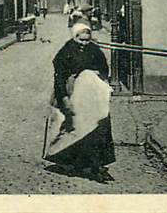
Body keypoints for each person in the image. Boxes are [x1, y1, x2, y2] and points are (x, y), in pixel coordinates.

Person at [43, 22, 115, 182]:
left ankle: (95, 164)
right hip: (72, 92)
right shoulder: (65, 52)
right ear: (75, 37)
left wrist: (98, 74)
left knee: (96, 126)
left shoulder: (95, 50)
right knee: (72, 126)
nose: (84, 43)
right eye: (81, 40)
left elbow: (104, 69)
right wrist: (64, 98)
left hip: (91, 96)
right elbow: (59, 78)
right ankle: (70, 161)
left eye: (87, 40)